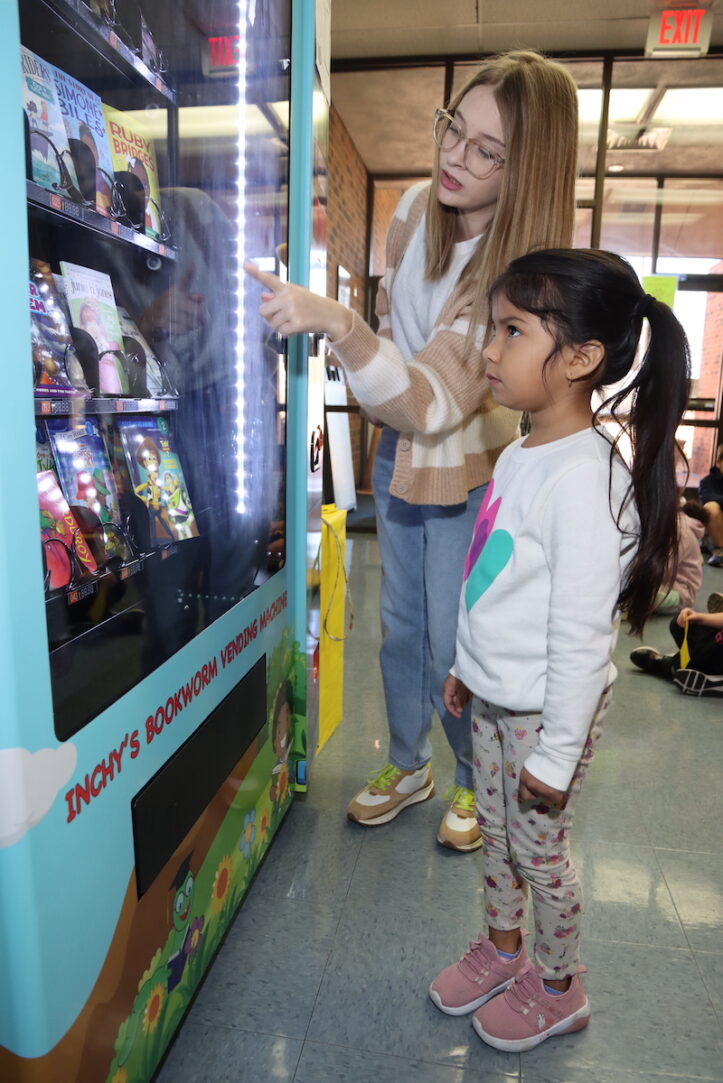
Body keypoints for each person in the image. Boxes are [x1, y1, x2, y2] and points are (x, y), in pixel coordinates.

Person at [245, 50, 579, 851]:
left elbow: (430, 400)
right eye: (452, 129)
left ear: (525, 166)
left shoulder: (514, 275)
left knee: (457, 635)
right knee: (398, 628)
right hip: (401, 456)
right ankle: (408, 761)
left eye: (485, 150)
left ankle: (467, 771)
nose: (454, 157)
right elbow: (401, 365)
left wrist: (336, 324)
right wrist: (367, 352)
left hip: (473, 475)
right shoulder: (410, 212)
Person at [428, 248, 690, 1052]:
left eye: (511, 331)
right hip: (501, 697)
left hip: (550, 709)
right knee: (499, 840)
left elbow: (577, 636)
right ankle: (505, 952)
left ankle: (557, 983)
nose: (490, 350)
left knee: (539, 851)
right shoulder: (518, 453)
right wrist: (467, 672)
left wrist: (558, 749)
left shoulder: (584, 480)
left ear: (578, 358)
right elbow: (495, 586)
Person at [631, 591, 723, 696]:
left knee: (693, 662)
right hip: (714, 642)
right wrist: (699, 618)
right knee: (678, 625)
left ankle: (670, 665)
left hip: (716, 655)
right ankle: (681, 662)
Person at [653, 501, 707, 612]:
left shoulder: (682, 532)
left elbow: (664, 568)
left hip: (680, 595)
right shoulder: (685, 530)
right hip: (677, 588)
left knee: (640, 594)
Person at [699, 444, 723, 566]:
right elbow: (707, 498)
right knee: (711, 507)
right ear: (718, 463)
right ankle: (720, 551)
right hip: (715, 530)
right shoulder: (707, 482)